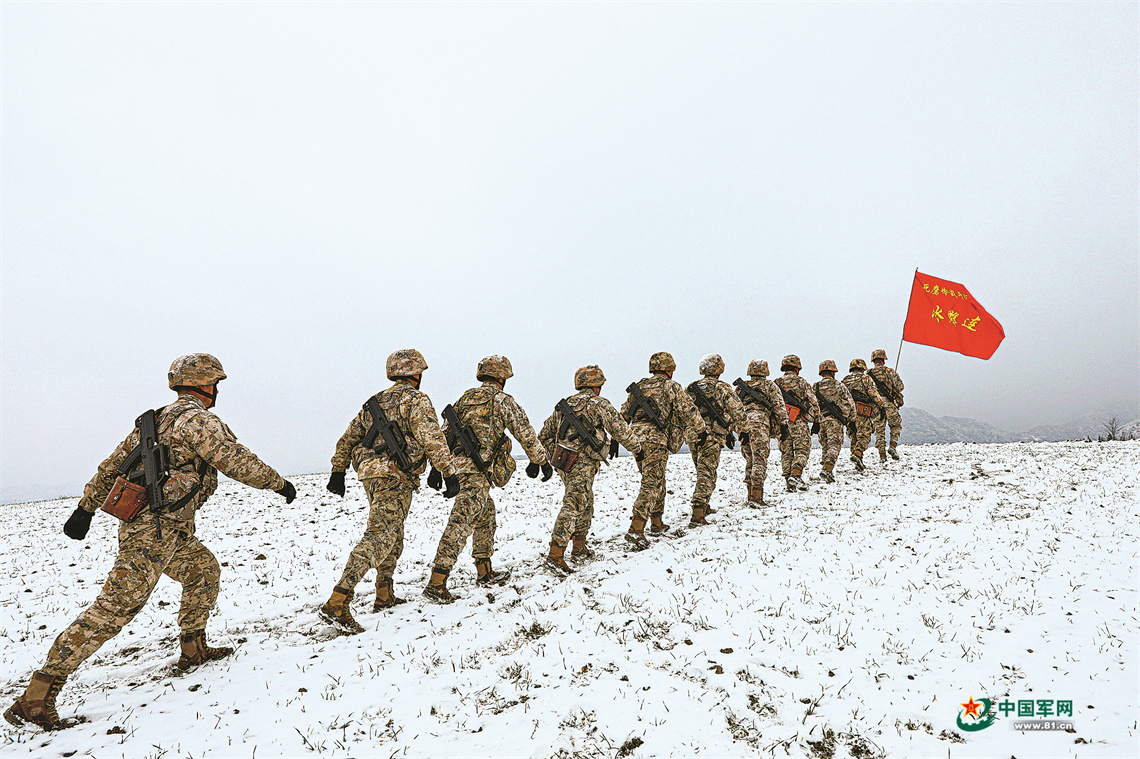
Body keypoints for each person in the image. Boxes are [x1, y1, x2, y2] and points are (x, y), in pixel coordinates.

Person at [5, 354, 295, 731]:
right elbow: (236, 460)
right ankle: (35, 698)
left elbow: (110, 467)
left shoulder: (153, 422)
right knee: (115, 608)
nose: (217, 389)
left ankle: (193, 648)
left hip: (168, 530)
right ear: (205, 385)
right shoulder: (198, 420)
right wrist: (278, 484)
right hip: (152, 534)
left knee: (203, 572)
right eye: (215, 382)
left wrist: (86, 507)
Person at [321, 349, 458, 631]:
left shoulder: (375, 403)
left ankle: (384, 594)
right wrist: (448, 471)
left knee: (393, 534)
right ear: (415, 374)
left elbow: (348, 439)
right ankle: (337, 601)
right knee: (379, 536)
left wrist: (338, 470)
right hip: (394, 476)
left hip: (371, 476)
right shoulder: (416, 400)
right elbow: (431, 437)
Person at [424, 355, 551, 601]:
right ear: (502, 377)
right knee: (460, 523)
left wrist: (437, 468)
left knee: (486, 515)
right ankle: (436, 583)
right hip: (476, 472)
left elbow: (444, 435)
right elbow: (524, 432)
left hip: (459, 468)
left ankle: (484, 571)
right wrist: (541, 460)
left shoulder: (465, 399)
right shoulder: (502, 400)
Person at [539, 365, 642, 574]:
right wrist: (637, 449)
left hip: (565, 463)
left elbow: (544, 435)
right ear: (596, 386)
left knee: (585, 501)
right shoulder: (598, 404)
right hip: (582, 463)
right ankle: (555, 555)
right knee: (574, 503)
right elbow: (620, 429)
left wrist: (557, 455)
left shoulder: (565, 405)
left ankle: (579, 546)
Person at [620, 352, 706, 548]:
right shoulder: (670, 386)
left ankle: (657, 523)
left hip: (636, 440)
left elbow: (624, 413)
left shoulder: (640, 387)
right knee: (651, 483)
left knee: (656, 479)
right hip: (655, 439)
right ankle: (636, 528)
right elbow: (688, 410)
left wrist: (619, 438)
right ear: (669, 369)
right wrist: (701, 429)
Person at [685, 354, 747, 525]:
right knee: (706, 472)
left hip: (693, 435)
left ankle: (704, 506)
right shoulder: (722, 387)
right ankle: (698, 512)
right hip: (711, 435)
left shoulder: (691, 387)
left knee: (703, 470)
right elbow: (737, 411)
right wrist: (744, 430)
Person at [736, 360, 790, 507]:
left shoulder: (740, 388)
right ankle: (757, 496)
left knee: (750, 459)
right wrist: (784, 425)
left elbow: (734, 407)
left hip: (743, 425)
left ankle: (750, 493)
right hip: (760, 425)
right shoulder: (769, 385)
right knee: (759, 460)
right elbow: (779, 405)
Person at [773, 355, 820, 492]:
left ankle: (789, 483)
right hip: (798, 421)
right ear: (797, 368)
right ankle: (796, 474)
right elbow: (814, 401)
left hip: (782, 422)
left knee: (786, 452)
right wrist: (817, 420)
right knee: (802, 449)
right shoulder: (801, 382)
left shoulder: (776, 383)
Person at [812, 360, 856, 483]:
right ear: (833, 372)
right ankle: (827, 468)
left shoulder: (815, 386)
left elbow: (812, 405)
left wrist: (815, 421)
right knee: (834, 444)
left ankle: (826, 469)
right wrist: (852, 420)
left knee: (825, 445)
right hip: (834, 420)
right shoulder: (839, 385)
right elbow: (851, 403)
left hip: (821, 420)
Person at [842, 358, 886, 472]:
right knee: (864, 436)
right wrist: (882, 406)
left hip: (849, 413)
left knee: (853, 435)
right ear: (862, 368)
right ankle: (858, 454)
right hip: (862, 411)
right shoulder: (865, 378)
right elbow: (873, 394)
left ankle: (858, 461)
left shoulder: (845, 380)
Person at [868, 348, 905, 461]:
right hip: (889, 403)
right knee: (895, 425)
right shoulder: (890, 372)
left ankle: (882, 455)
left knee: (879, 430)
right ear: (883, 359)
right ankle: (892, 446)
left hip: (876, 406)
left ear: (873, 360)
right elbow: (900, 387)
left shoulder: (868, 374)